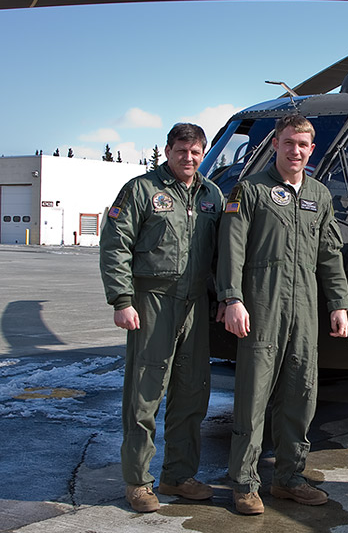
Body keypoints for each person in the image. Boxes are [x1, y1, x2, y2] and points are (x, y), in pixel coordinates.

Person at [217, 114, 348, 515]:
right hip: (262, 304)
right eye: (288, 142)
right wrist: (232, 299)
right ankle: (244, 482)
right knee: (253, 395)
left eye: (302, 145)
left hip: (305, 307)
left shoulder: (319, 195)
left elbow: (329, 254)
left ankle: (290, 477)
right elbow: (232, 248)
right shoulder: (251, 190)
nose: (295, 151)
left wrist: (339, 303)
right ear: (275, 144)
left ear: (312, 150)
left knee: (301, 393)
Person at [100, 123, 224, 513]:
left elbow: (223, 252)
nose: (188, 158)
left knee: (191, 393)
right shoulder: (141, 190)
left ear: (202, 153)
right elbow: (115, 244)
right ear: (168, 151)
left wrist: (226, 296)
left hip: (195, 304)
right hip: (152, 300)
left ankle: (179, 475)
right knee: (145, 394)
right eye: (181, 150)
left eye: (196, 152)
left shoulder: (211, 195)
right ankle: (138, 481)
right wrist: (122, 300)